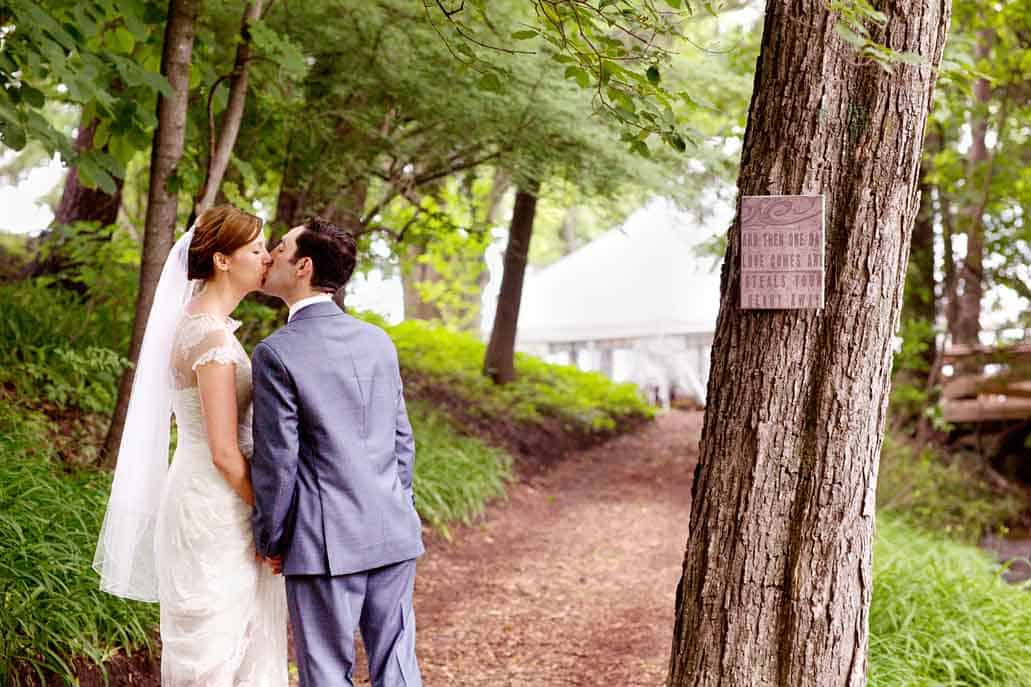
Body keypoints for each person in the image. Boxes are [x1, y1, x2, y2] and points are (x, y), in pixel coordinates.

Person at [93, 205, 288, 687]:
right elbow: (224, 451)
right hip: (216, 504)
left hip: (207, 491)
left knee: (226, 638)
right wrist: (270, 518)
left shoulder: (201, 322)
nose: (266, 259)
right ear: (223, 260)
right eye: (257, 249)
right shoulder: (211, 337)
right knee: (215, 645)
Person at [250, 216, 424, 687]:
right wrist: (395, 503)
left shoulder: (276, 353)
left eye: (280, 248)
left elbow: (279, 462)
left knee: (327, 673)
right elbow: (401, 441)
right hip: (392, 528)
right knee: (398, 667)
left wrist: (271, 537)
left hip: (323, 542)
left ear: (303, 266)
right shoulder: (377, 341)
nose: (269, 255)